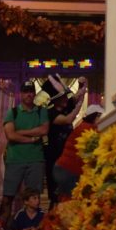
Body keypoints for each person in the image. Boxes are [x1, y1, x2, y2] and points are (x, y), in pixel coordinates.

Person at [0, 83, 47, 221]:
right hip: (15, 160)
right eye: (26, 91)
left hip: (35, 160)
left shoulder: (41, 111)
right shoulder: (13, 112)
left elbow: (44, 130)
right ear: (21, 94)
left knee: (34, 198)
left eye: (31, 91)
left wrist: (21, 132)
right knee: (7, 197)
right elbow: (10, 135)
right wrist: (32, 139)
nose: (29, 94)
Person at [43, 77, 86, 206]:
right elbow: (68, 119)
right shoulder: (50, 112)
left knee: (69, 191)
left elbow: (78, 97)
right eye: (62, 97)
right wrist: (78, 105)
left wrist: (81, 85)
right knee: (55, 193)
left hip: (67, 157)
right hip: (54, 158)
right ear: (55, 100)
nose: (66, 99)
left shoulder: (67, 105)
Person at [51, 104, 103, 201]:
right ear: (96, 116)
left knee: (65, 200)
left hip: (63, 168)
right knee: (70, 202)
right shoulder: (89, 129)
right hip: (68, 171)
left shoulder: (82, 126)